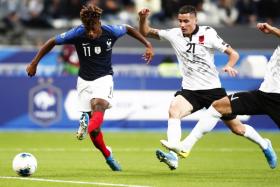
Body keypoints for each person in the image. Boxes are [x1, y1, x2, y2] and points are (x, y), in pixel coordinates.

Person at [138, 5, 275, 170]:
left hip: (213, 91)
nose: (182, 25)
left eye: (186, 21)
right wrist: (143, 18)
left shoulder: (208, 34)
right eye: (180, 21)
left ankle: (264, 144)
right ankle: (174, 155)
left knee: (237, 128)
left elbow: (234, 54)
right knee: (174, 110)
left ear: (196, 20)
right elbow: (145, 32)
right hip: (190, 91)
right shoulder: (174, 34)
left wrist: (229, 65)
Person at [26, 4, 154, 171]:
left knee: (99, 105)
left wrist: (148, 44)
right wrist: (34, 63)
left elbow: (129, 29)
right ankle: (107, 154)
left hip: (104, 78)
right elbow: (52, 41)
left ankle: (86, 123)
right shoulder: (78, 32)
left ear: (99, 22)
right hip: (84, 81)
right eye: (88, 29)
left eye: (93, 28)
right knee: (95, 133)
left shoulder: (111, 31)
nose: (91, 33)